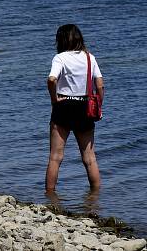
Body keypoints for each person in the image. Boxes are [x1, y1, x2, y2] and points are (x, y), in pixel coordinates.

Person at [45, 24, 104, 192]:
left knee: (55, 157)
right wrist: (99, 105)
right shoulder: (89, 58)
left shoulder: (60, 58)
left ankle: (50, 197)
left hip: (63, 106)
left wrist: (54, 99)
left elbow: (51, 79)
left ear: (60, 40)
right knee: (90, 158)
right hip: (84, 106)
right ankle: (95, 198)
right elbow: (100, 84)